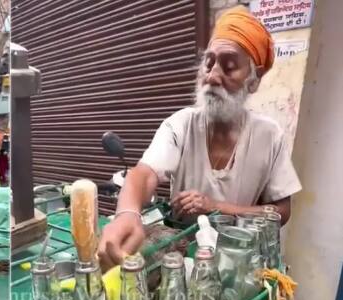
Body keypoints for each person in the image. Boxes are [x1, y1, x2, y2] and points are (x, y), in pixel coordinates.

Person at [98, 6, 302, 272]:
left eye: (229, 67)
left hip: (237, 259)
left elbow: (281, 212)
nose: (212, 76)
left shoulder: (269, 135)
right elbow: (145, 173)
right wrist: (127, 213)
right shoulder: (181, 123)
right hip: (179, 257)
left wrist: (216, 206)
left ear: (254, 81)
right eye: (209, 63)